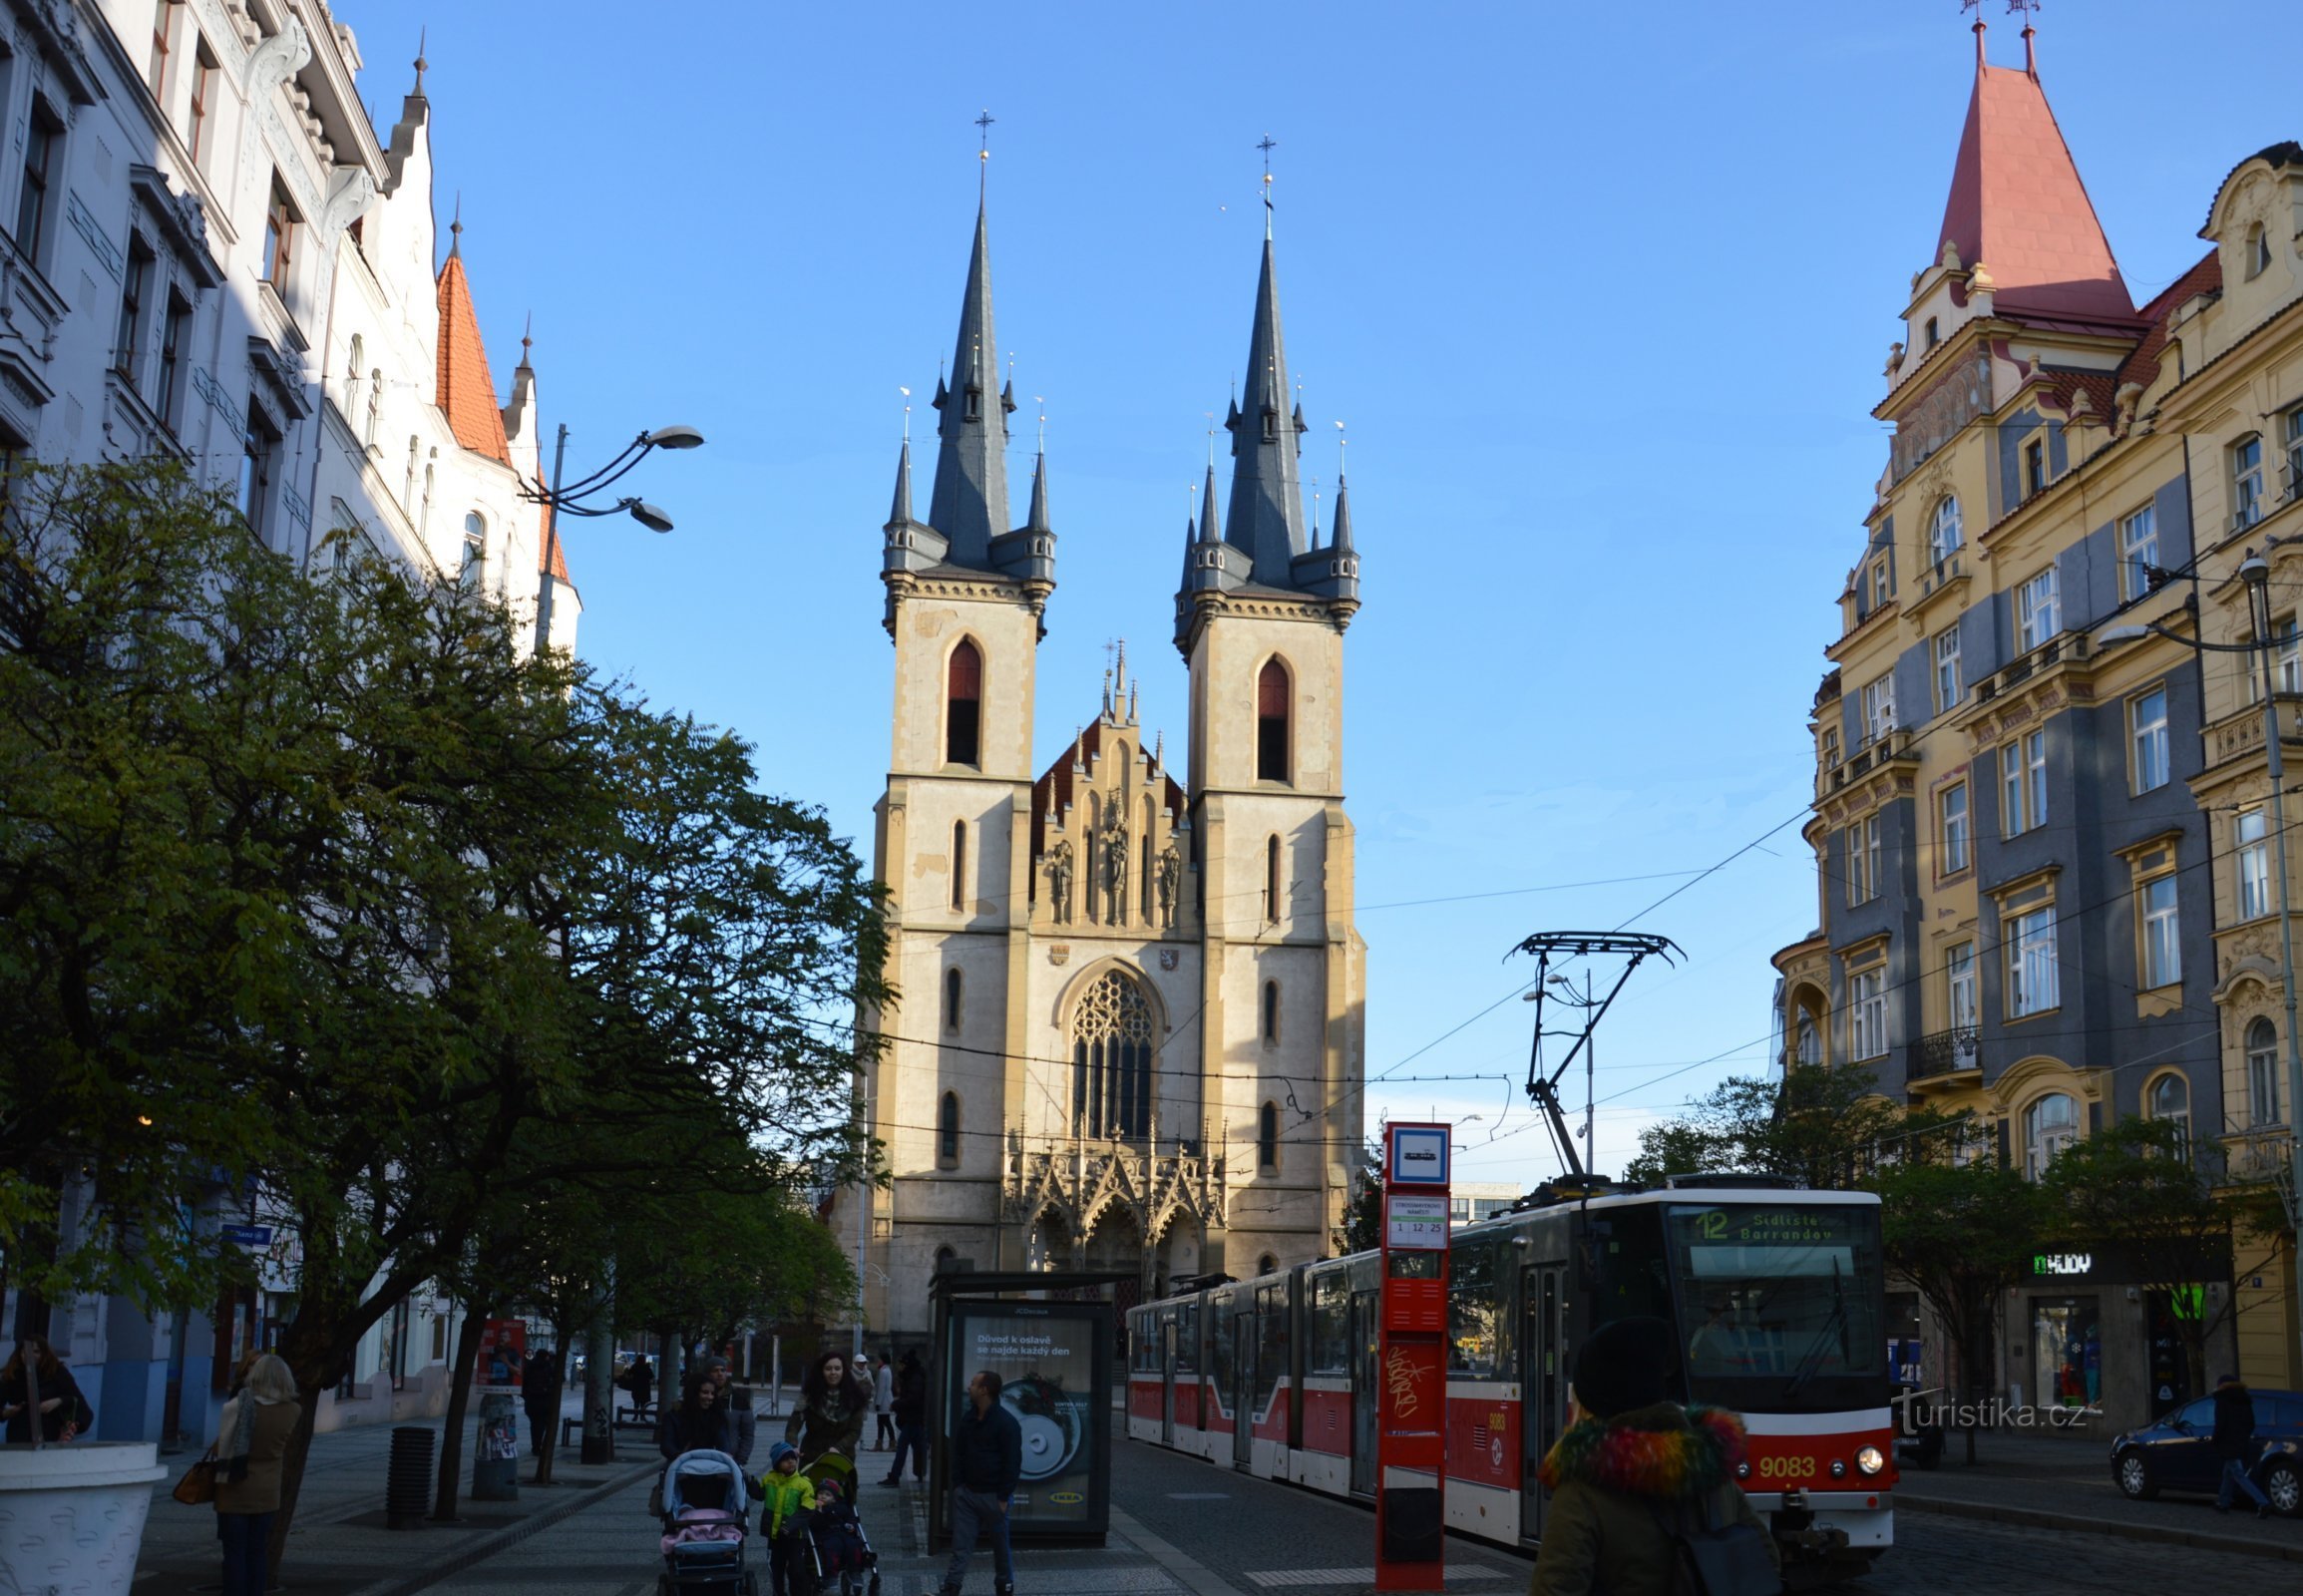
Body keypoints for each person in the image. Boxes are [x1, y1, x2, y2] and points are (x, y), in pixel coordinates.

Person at [1528, 1316, 1778, 1596]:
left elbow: (1555, 1587)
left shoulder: (1584, 1487)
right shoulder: (1710, 1468)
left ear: (1592, 1399)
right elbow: (1767, 1557)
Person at [214, 1354, 300, 1596]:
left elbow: (224, 1444)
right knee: (257, 1552)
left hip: (234, 1485)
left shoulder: (238, 1405)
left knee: (234, 1553)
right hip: (268, 1488)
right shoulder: (293, 1410)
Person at [938, 1369, 1021, 1596]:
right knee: (961, 1546)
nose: (969, 1387)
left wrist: (1003, 1497)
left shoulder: (1006, 1423)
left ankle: (1004, 1586)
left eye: (973, 1384)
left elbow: (1012, 1463)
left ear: (984, 1390)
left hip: (994, 1496)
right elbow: (959, 1453)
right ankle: (951, 1587)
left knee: (1000, 1547)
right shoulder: (969, 1418)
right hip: (968, 1494)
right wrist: (958, 1487)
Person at [785, 1350, 872, 1473]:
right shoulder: (809, 1395)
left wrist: (838, 1448)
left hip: (842, 1457)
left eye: (837, 1368)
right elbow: (794, 1423)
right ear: (821, 1371)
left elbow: (855, 1431)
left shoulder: (854, 1398)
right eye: (828, 1368)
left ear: (843, 1371)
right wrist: (792, 1445)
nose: (833, 1373)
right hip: (811, 1455)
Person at [1, 1334, 94, 1442]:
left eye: (36, 1351)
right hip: (19, 1436)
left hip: (50, 1435)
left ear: (44, 1353)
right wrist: (8, 1413)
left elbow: (79, 1404)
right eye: (25, 1352)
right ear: (19, 1354)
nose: (30, 1355)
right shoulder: (12, 1375)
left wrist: (59, 1401)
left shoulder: (57, 1372)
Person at [759, 1440, 817, 1596]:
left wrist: (790, 1525)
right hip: (775, 1534)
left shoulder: (803, 1484)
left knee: (795, 1568)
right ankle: (778, 1592)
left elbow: (808, 1509)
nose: (791, 1461)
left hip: (795, 1535)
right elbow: (759, 1494)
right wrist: (748, 1481)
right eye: (786, 1459)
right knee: (776, 1567)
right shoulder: (769, 1479)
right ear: (777, 1463)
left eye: (793, 1458)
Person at [2211, 1373, 2272, 1517]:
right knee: (2229, 1472)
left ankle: (2263, 1502)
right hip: (2242, 1441)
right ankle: (2223, 1502)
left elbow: (2221, 1424)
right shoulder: (2245, 1400)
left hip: (2228, 1442)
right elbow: (2251, 1423)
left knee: (2238, 1474)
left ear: (2221, 1385)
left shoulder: (2222, 1400)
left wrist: (2215, 1439)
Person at [660, 1363, 742, 1459]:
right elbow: (667, 1444)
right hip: (681, 1465)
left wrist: (725, 1455)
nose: (710, 1397)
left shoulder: (715, 1416)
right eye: (705, 1392)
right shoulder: (673, 1417)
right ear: (693, 1392)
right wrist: (678, 1456)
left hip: (707, 1465)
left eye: (712, 1393)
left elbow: (723, 1441)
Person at [882, 1349, 928, 1487]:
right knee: (916, 1448)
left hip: (913, 1419)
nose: (899, 1367)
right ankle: (919, 1473)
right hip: (914, 1419)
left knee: (902, 1447)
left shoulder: (915, 1378)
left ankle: (895, 1476)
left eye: (901, 1365)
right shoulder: (913, 1377)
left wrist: (895, 1404)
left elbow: (913, 1399)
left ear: (907, 1365)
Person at [522, 1347, 562, 1457]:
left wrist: (526, 1396)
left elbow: (523, 1384)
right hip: (545, 1400)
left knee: (534, 1425)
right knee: (545, 1424)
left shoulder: (529, 1366)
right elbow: (560, 1379)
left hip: (531, 1401)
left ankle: (535, 1447)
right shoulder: (548, 1367)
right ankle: (544, 1446)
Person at [872, 1352, 896, 1450]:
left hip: (883, 1401)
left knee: (885, 1422)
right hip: (887, 1399)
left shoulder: (883, 1371)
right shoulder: (887, 1370)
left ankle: (890, 1443)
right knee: (882, 1422)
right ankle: (882, 1443)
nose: (878, 1361)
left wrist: (877, 1403)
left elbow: (881, 1388)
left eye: (880, 1359)